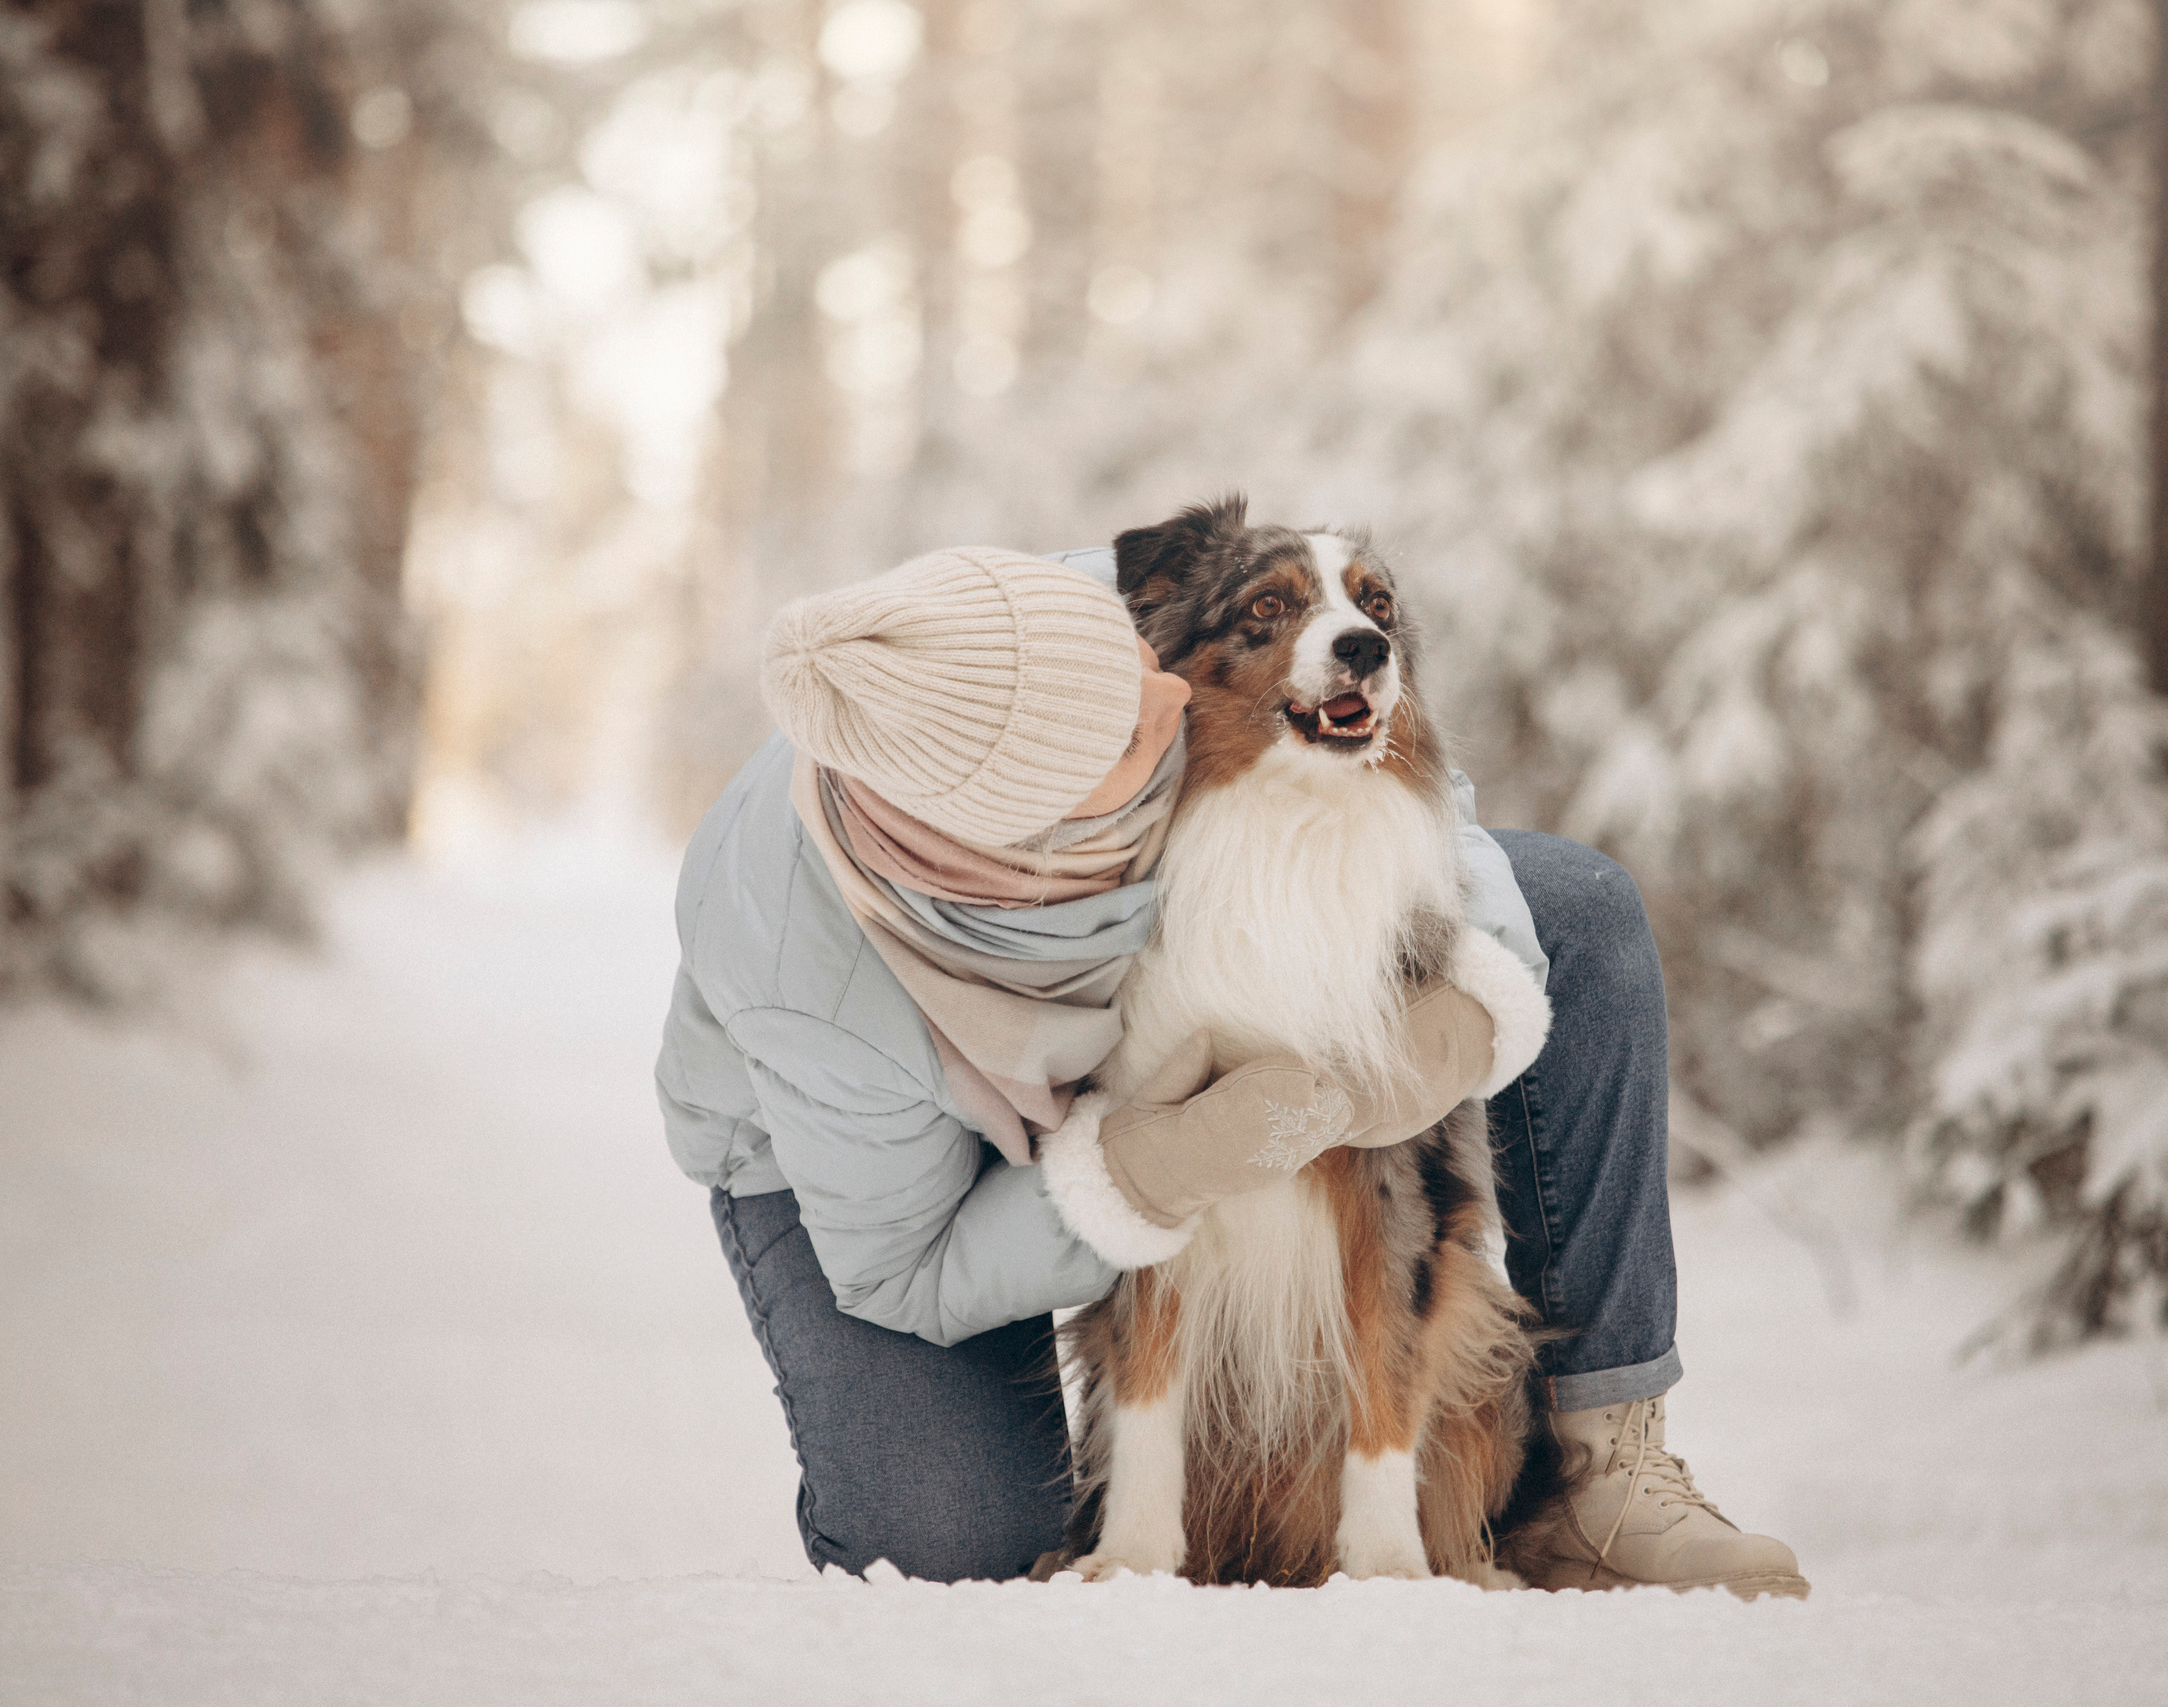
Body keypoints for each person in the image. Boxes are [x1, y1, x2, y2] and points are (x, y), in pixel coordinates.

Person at [656, 543, 1806, 1598]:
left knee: (1578, 911)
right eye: (1119, 733)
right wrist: (1149, 1170)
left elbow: (1418, 789)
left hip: (1080, 984)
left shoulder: (1066, 629)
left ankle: (1593, 1472)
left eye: (1137, 671)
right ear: (1023, 837)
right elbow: (906, 1270)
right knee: (950, 1538)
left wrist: (1470, 997)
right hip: (881, 1173)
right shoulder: (801, 968)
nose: (1169, 705)